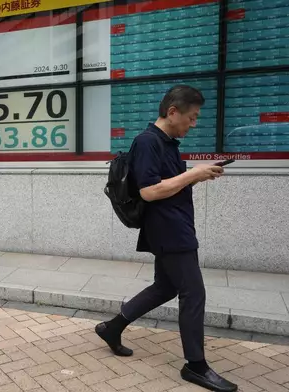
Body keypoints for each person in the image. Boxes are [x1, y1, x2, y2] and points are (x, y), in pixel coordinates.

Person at [95, 85, 237, 392]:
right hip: (169, 230)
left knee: (166, 286)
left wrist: (198, 175)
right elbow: (148, 191)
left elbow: (168, 186)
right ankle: (195, 366)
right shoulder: (147, 142)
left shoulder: (168, 143)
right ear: (172, 112)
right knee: (193, 293)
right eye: (192, 117)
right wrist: (193, 175)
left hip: (175, 225)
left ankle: (112, 327)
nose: (194, 123)